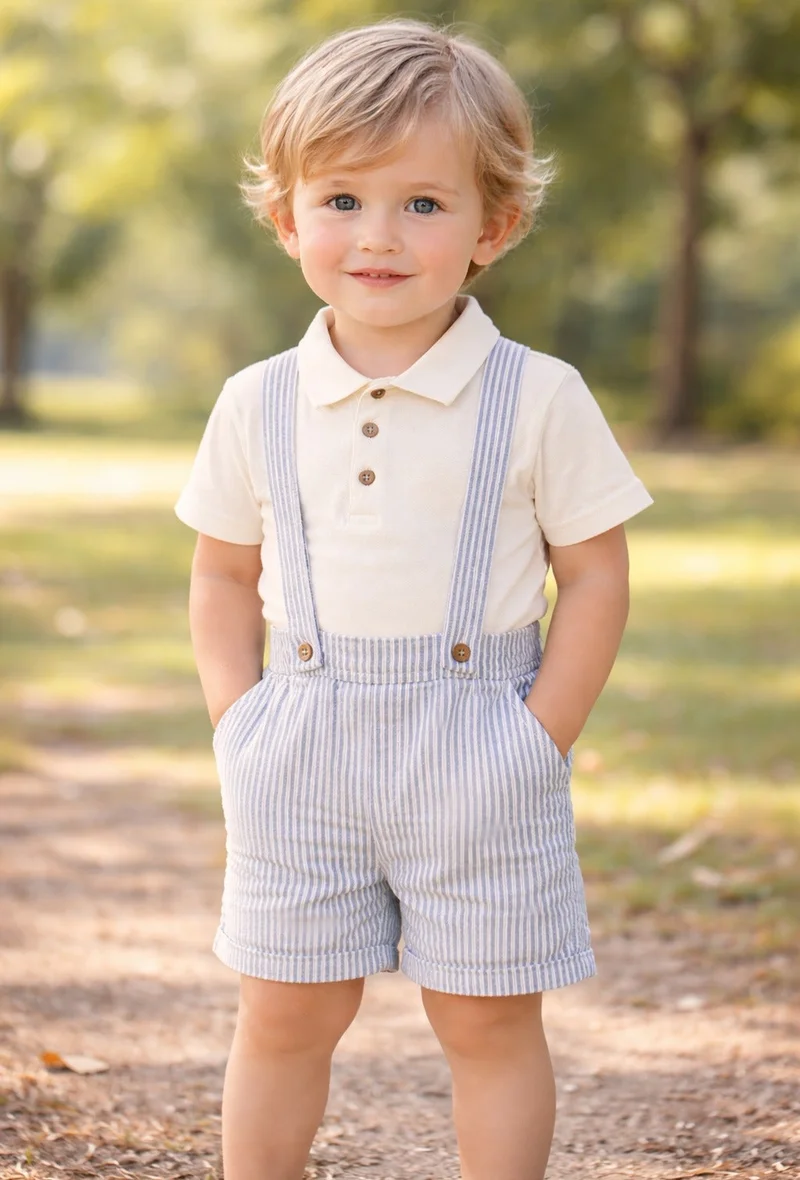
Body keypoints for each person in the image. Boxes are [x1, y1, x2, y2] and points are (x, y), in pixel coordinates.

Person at [175, 18, 653, 1180]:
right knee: (284, 1014)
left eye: (422, 206)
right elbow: (222, 572)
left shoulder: (536, 396)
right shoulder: (256, 400)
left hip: (480, 744)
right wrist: (240, 723)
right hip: (300, 742)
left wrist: (538, 738)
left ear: (492, 225)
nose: (377, 237)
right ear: (286, 214)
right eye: (340, 199)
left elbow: (592, 574)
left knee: (486, 1021)